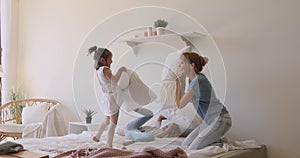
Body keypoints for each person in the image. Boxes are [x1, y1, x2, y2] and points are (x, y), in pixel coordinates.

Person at [176, 52, 232, 150]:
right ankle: (218, 141)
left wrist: (179, 82)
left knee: (193, 149)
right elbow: (187, 100)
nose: (179, 65)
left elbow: (180, 104)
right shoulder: (192, 80)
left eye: (182, 63)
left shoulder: (198, 81)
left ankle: (221, 144)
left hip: (220, 120)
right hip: (208, 122)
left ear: (192, 65)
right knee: (185, 145)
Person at [88, 46, 126, 147]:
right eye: (110, 59)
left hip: (105, 98)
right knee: (113, 123)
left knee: (106, 120)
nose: (112, 61)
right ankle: (109, 144)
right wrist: (121, 70)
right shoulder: (105, 69)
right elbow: (113, 80)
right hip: (112, 98)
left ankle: (97, 137)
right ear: (102, 60)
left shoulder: (98, 71)